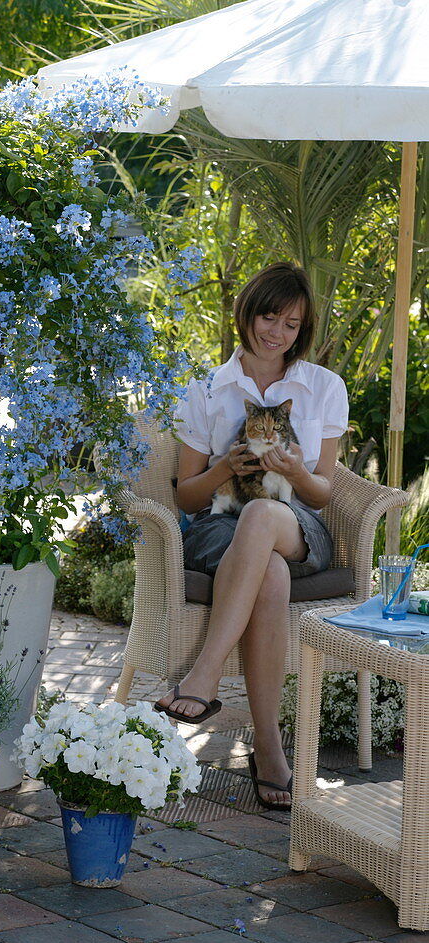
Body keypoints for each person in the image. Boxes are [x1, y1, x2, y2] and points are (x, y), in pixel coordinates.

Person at [155, 263, 349, 809]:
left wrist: (291, 471)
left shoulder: (322, 388)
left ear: (302, 331)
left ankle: (205, 673)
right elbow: (188, 499)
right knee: (267, 567)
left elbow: (322, 494)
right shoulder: (208, 389)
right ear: (248, 314)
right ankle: (268, 748)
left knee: (263, 520)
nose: (278, 333)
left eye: (291, 324)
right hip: (220, 525)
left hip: (296, 523)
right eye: (270, 317)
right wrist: (225, 467)